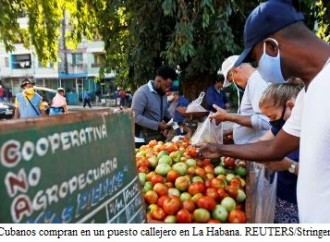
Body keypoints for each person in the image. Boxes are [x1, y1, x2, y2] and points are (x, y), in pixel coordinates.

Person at [198, 0, 330, 223]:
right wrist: (219, 149)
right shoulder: (307, 95)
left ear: (272, 46)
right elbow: (274, 147)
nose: (259, 67)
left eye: (257, 57)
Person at [258, 78, 304, 223]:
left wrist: (288, 165)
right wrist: (236, 153)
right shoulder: (282, 126)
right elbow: (260, 144)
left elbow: (320, 175)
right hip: (279, 197)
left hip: (299, 206)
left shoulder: (314, 132)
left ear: (291, 106)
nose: (272, 121)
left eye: (273, 117)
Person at [211, 55, 271, 144]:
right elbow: (253, 116)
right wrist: (235, 129)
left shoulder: (256, 81)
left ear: (235, 71)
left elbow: (264, 122)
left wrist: (228, 117)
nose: (236, 84)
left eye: (232, 81)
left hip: (255, 149)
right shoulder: (254, 81)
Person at [131, 65, 177, 143]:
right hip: (141, 139)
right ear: (158, 81)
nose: (168, 89)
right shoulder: (142, 93)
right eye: (166, 86)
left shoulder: (163, 94)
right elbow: (135, 117)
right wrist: (158, 125)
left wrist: (175, 122)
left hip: (156, 137)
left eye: (169, 87)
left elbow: (165, 112)